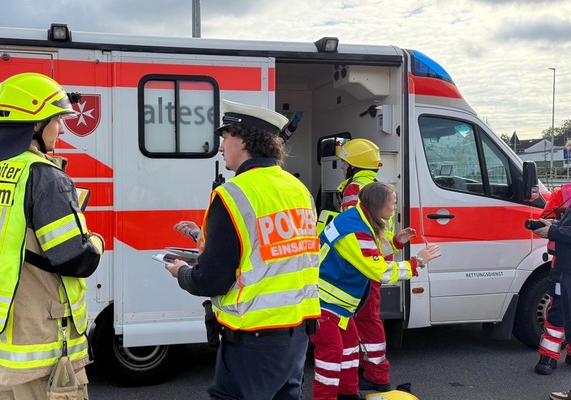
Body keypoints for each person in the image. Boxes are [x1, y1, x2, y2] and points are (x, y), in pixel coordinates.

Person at [0, 72, 103, 400]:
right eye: (57, 120)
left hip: (1, 346)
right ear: (35, 124)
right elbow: (76, 259)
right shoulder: (45, 175)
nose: (62, 128)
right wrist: (96, 241)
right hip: (47, 350)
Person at [165, 99, 321, 400]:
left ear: (245, 140)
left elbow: (210, 280)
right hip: (297, 333)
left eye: (225, 137)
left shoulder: (233, 194)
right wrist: (202, 236)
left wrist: (182, 272)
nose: (221, 147)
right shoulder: (297, 189)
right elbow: (270, 249)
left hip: (253, 339)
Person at [311, 182, 441, 400]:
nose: (394, 208)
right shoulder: (356, 230)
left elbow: (370, 253)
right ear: (378, 205)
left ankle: (347, 393)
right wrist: (416, 262)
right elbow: (378, 270)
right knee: (330, 357)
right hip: (323, 302)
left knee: (350, 348)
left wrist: (396, 242)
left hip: (335, 305)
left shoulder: (357, 218)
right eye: (392, 203)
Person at [336, 138, 396, 392]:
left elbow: (353, 226)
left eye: (344, 162)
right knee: (366, 318)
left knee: (366, 318)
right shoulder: (374, 185)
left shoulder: (355, 188)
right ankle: (369, 369)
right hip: (375, 257)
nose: (341, 167)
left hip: (364, 262)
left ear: (354, 165)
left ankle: (377, 375)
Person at [534, 188, 571, 400]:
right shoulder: (562, 193)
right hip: (563, 263)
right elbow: (542, 223)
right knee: (558, 309)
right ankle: (548, 357)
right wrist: (557, 222)